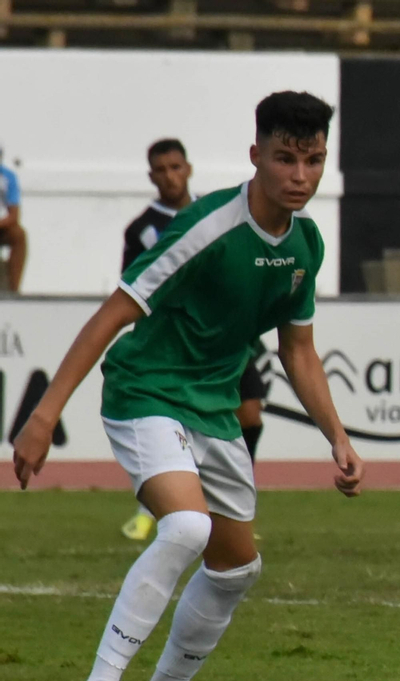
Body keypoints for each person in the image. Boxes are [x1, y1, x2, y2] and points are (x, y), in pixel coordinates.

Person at [12, 91, 364, 681]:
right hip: (146, 391)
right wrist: (43, 416)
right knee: (186, 528)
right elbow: (113, 313)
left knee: (236, 567)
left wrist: (337, 436)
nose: (300, 175)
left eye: (313, 161)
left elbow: (299, 350)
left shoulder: (305, 243)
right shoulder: (208, 227)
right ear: (255, 155)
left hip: (214, 407)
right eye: (285, 159)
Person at [117, 140, 275, 542]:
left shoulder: (218, 212)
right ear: (151, 176)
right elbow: (134, 291)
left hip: (227, 338)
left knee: (251, 414)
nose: (170, 176)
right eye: (161, 170)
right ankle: (157, 506)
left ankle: (234, 506)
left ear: (188, 168)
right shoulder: (142, 229)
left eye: (175, 167)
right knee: (178, 429)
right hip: (178, 345)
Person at [0, 145, 27, 291]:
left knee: (18, 234)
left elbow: (14, 216)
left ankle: (14, 290)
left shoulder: (7, 177)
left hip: (1, 226)